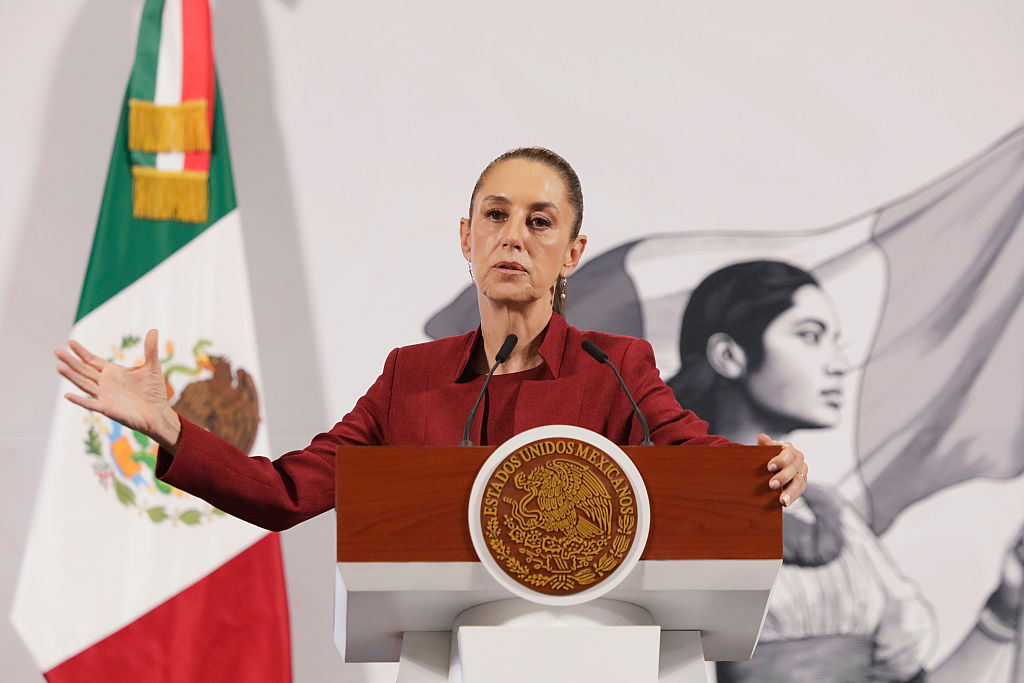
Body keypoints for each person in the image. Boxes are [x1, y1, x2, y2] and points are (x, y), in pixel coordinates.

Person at [54, 147, 808, 533]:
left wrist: (769, 469)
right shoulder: (409, 379)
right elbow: (285, 494)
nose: (514, 236)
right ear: (466, 236)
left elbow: (697, 461)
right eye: (496, 215)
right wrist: (169, 426)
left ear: (573, 253)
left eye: (540, 222)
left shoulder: (616, 367)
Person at [668, 260, 1024, 682]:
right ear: (729, 356)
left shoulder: (831, 515)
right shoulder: (669, 507)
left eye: (836, 342)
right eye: (810, 336)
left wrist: (1005, 608)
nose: (838, 363)